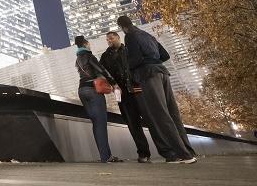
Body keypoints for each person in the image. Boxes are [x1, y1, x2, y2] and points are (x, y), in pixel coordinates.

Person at [118, 16, 197, 164]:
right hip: (162, 73)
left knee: (160, 115)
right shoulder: (147, 35)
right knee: (173, 113)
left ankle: (183, 155)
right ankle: (188, 150)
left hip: (148, 76)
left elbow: (135, 59)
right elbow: (165, 55)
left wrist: (128, 67)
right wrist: (152, 59)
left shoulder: (130, 36)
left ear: (122, 27)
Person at [99, 31, 152, 163]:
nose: (109, 41)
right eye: (107, 40)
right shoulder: (105, 56)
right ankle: (143, 153)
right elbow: (102, 72)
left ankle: (168, 150)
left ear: (118, 37)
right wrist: (112, 84)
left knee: (150, 119)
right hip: (121, 94)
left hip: (136, 89)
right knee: (132, 123)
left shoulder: (128, 50)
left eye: (111, 38)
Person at [74, 35, 122, 163]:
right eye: (88, 43)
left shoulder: (77, 59)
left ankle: (105, 156)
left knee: (96, 123)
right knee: (101, 124)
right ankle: (106, 157)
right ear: (85, 44)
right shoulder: (89, 56)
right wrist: (114, 83)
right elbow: (102, 70)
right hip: (93, 90)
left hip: (82, 90)